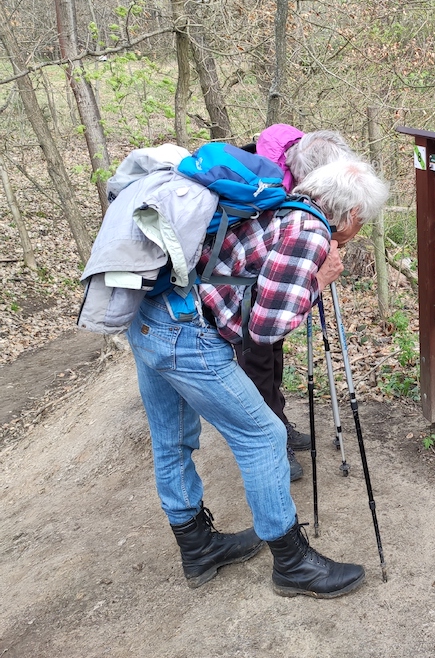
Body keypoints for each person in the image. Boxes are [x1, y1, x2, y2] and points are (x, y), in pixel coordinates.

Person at [126, 159, 389, 596]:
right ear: (353, 215)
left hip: (150, 316)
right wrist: (318, 281)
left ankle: (198, 548)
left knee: (171, 438)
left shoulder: (278, 206)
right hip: (186, 334)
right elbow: (264, 330)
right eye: (364, 220)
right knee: (264, 436)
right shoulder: (309, 232)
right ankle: (292, 564)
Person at [241, 127, 355, 481]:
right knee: (257, 357)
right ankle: (273, 443)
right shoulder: (276, 187)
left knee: (270, 356)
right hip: (242, 292)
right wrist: (317, 276)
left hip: (260, 283)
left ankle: (279, 424)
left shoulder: (289, 166)